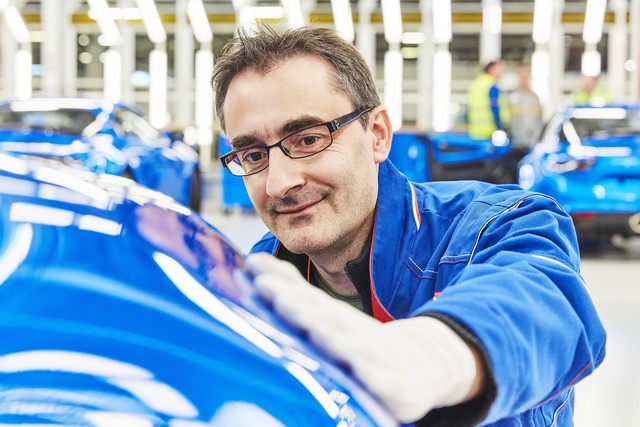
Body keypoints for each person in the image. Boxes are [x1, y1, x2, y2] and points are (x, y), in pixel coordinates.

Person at [213, 25, 606, 426]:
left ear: (378, 135)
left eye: (308, 139)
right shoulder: (256, 278)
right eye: (253, 155)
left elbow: (545, 303)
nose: (280, 183)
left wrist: (431, 355)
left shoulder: (494, 223)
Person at [507, 63, 543, 180]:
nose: (524, 79)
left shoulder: (534, 98)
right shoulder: (511, 97)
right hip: (515, 144)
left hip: (531, 144)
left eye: (526, 76)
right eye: (522, 76)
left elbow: (539, 120)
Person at [467, 59, 511, 140]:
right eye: (500, 69)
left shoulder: (477, 83)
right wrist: (500, 127)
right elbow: (495, 107)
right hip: (491, 131)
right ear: (491, 69)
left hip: (475, 131)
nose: (502, 73)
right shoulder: (491, 85)